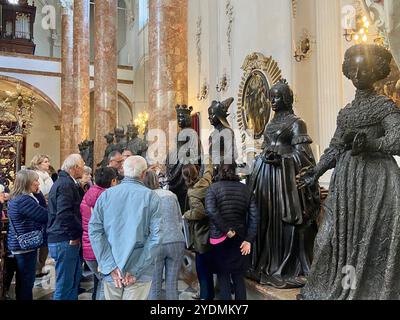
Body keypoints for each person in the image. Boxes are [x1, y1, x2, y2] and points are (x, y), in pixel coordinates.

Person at [298, 44, 400, 300]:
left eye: (363, 68)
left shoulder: (384, 106)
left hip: (376, 184)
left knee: (370, 243)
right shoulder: (346, 113)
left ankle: (367, 292)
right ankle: (342, 288)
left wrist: (371, 143)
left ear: (376, 70)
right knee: (330, 240)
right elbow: (334, 148)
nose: (357, 73)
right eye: (352, 68)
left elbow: (397, 139)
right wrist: (315, 171)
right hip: (346, 185)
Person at [247, 79, 320, 288]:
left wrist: (282, 159)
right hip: (266, 177)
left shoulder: (297, 123)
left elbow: (304, 156)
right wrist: (264, 157)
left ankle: (284, 264)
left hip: (284, 180)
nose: (273, 102)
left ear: (287, 98)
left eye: (277, 97)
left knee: (284, 221)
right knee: (265, 219)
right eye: (271, 98)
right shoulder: (270, 123)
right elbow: (267, 147)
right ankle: (268, 261)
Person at [89, 156, 161, 300]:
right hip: (139, 269)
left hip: (113, 268)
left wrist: (110, 266)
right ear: (144, 174)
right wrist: (137, 269)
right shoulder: (151, 197)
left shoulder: (106, 195)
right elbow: (156, 237)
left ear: (123, 170)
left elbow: (95, 231)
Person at [205, 164, 258, 300]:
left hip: (219, 239)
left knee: (223, 278)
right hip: (241, 239)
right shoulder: (246, 190)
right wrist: (249, 240)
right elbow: (254, 217)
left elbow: (210, 210)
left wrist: (226, 230)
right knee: (239, 278)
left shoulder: (213, 188)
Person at [47, 154, 85, 300]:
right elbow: (64, 214)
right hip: (64, 239)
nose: (83, 169)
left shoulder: (66, 182)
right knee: (64, 285)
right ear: (75, 168)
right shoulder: (65, 184)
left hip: (63, 237)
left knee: (72, 282)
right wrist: (73, 236)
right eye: (82, 166)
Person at [7, 170, 48, 300]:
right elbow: (45, 216)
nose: (38, 183)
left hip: (19, 246)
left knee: (23, 283)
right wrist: (40, 195)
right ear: (27, 183)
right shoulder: (24, 200)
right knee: (25, 284)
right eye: (35, 181)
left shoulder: (16, 198)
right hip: (24, 248)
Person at [144, 170, 185, 300]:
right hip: (176, 241)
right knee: (172, 286)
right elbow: (179, 219)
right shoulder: (171, 195)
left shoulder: (145, 197)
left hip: (156, 243)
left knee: (154, 286)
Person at [81, 167, 118, 300]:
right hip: (100, 247)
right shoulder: (106, 196)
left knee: (101, 282)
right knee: (106, 283)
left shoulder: (90, 192)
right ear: (113, 181)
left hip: (88, 246)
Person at [182, 162, 214, 300]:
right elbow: (209, 170)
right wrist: (209, 158)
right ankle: (209, 294)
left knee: (202, 268)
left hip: (201, 233)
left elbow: (199, 212)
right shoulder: (206, 181)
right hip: (212, 229)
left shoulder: (193, 192)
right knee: (208, 266)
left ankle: (205, 297)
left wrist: (186, 215)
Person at [30, 154, 53, 278]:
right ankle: (36, 268)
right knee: (39, 238)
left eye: (48, 161)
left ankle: (41, 266)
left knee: (45, 240)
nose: (48, 163)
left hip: (48, 206)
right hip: (39, 207)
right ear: (38, 164)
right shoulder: (35, 176)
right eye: (45, 161)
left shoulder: (48, 177)